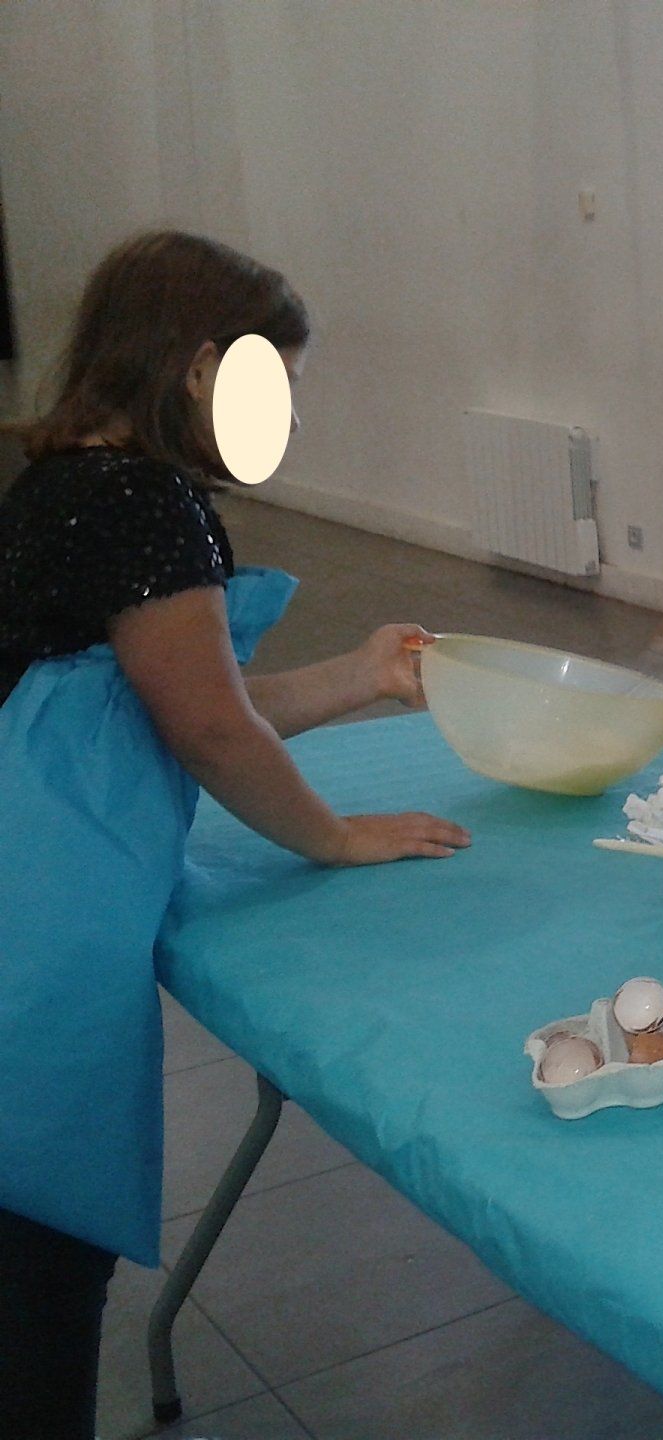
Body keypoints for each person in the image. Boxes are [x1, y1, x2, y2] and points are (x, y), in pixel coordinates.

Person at [0, 231, 469, 1438]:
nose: (289, 418)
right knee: (34, 1261)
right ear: (202, 367)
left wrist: (363, 673)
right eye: (277, 384)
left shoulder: (60, 481)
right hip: (33, 936)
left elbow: (179, 697)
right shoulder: (147, 507)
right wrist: (334, 837)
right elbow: (211, 731)